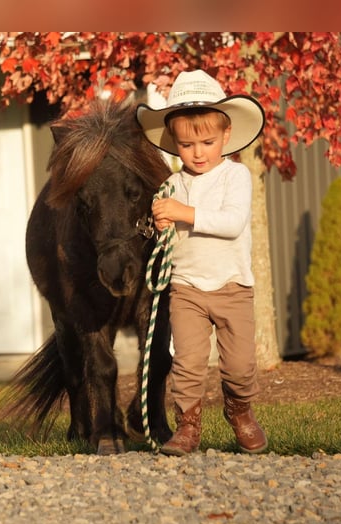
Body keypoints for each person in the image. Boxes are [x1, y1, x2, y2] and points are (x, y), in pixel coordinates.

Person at [136, 69, 268, 456]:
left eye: (207, 142)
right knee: (188, 362)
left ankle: (239, 410)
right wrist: (162, 223)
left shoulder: (236, 176)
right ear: (175, 143)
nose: (197, 152)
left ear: (226, 136)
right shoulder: (172, 185)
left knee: (240, 366)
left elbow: (231, 224)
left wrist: (182, 212)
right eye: (187, 144)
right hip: (187, 288)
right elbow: (170, 239)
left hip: (232, 287)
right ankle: (188, 425)